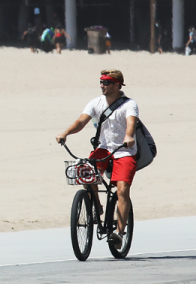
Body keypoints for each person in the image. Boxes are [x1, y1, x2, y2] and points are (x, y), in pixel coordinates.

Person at [55, 70, 138, 245]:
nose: (102, 86)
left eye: (106, 83)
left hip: (124, 150)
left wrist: (128, 136)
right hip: (103, 149)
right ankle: (97, 206)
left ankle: (119, 233)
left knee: (122, 189)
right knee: (85, 172)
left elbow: (131, 123)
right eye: (101, 82)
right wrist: (65, 133)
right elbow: (81, 122)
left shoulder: (129, 104)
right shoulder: (96, 103)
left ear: (117, 85)